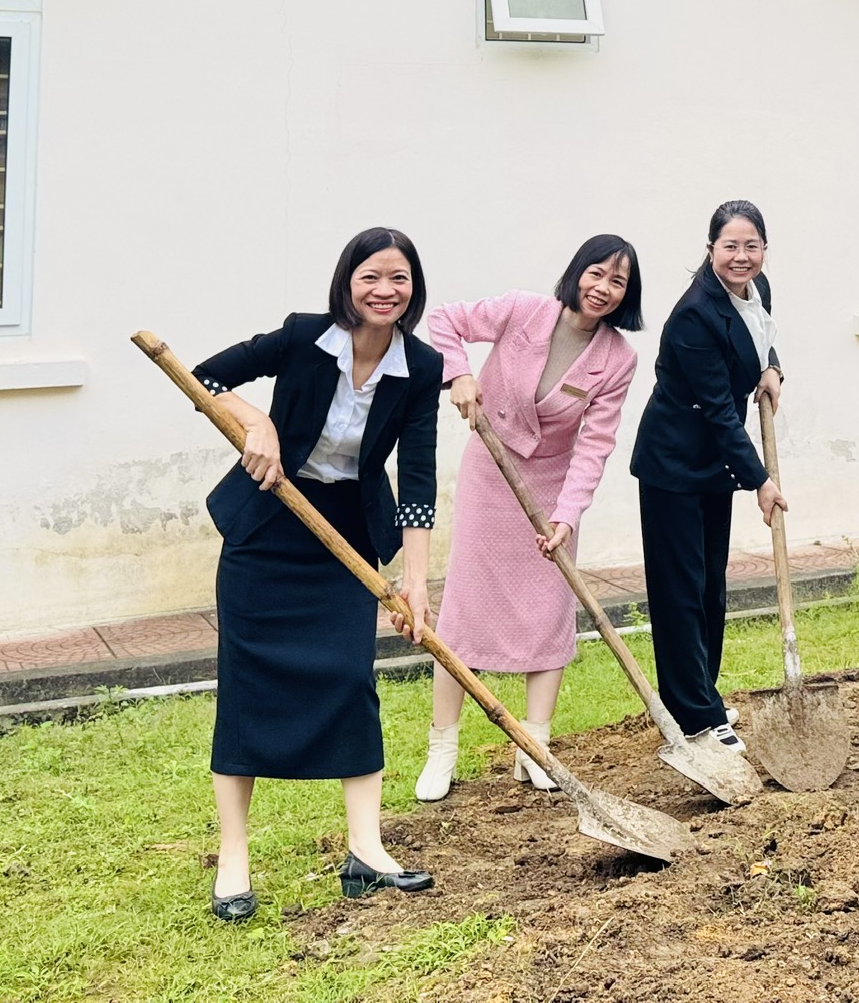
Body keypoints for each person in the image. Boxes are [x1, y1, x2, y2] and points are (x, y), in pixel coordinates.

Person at [191, 228, 445, 921]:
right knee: (246, 687)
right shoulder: (304, 336)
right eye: (371, 277)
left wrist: (416, 581)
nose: (385, 290)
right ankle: (233, 859)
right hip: (268, 526)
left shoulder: (422, 367)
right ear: (347, 282)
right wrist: (257, 423)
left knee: (350, 680)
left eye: (399, 278)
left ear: (414, 287)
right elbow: (204, 378)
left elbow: (418, 475)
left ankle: (367, 850)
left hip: (346, 538)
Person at [414, 234, 644, 802]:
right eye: (596, 273)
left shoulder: (618, 359)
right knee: (464, 605)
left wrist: (567, 515)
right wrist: (458, 374)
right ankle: (442, 746)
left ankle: (534, 745)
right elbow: (444, 320)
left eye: (617, 282)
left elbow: (595, 443)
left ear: (627, 294)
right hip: (492, 471)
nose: (603, 288)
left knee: (548, 608)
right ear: (577, 272)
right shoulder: (522, 310)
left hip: (552, 489)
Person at [629, 201, 788, 745]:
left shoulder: (755, 289)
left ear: (763, 249)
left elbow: (759, 338)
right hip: (673, 465)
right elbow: (719, 410)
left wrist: (772, 367)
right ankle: (695, 718)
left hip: (714, 463)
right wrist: (761, 479)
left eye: (752, 246)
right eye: (730, 246)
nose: (742, 256)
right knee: (680, 591)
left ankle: (703, 698)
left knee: (709, 589)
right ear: (710, 249)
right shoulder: (695, 314)